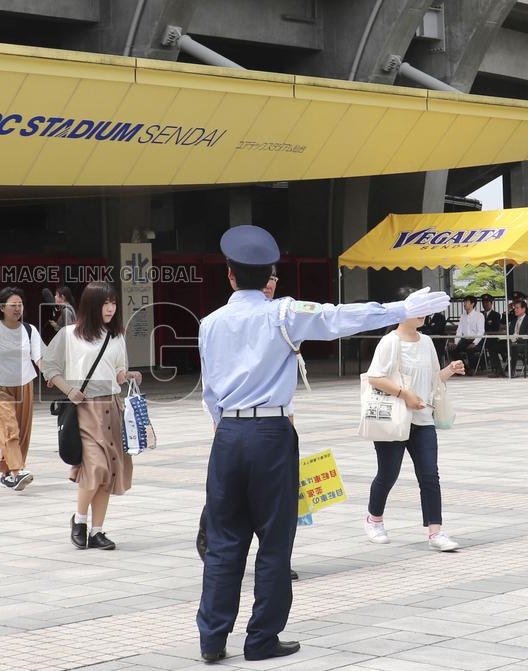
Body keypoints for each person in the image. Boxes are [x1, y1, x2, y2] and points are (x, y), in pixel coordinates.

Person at [196, 225, 449, 663]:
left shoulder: (210, 323)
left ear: (231, 277)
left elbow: (210, 394)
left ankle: (212, 639)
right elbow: (338, 318)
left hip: (228, 435)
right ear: (268, 278)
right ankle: (260, 640)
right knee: (274, 542)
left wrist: (226, 428)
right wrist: (399, 309)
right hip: (272, 433)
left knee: (224, 541)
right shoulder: (283, 314)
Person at [196, 266, 301, 580]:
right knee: (237, 501)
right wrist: (219, 421)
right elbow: (213, 381)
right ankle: (212, 536)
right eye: (265, 279)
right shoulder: (224, 322)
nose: (269, 286)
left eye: (273, 280)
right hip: (237, 423)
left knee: (256, 502)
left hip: (266, 422)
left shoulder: (281, 318)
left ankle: (267, 560)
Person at [42, 282, 139, 550]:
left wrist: (129, 376)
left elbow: (118, 371)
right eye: (105, 303)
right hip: (84, 408)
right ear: (91, 305)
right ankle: (80, 521)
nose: (110, 308)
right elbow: (48, 367)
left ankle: (97, 531)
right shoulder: (69, 334)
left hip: (112, 408)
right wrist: (69, 390)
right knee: (95, 468)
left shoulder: (117, 336)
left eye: (113, 303)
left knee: (107, 472)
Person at [363, 307, 464, 552]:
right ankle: (374, 519)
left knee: (430, 475)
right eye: (417, 310)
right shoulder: (389, 342)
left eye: (424, 311)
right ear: (401, 314)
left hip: (423, 419)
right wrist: (405, 394)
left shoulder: (427, 342)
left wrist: (449, 370)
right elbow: (374, 378)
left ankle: (435, 531)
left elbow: (432, 379)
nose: (423, 315)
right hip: (394, 419)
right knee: (388, 473)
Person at [0, 286, 43, 491]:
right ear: (2, 307)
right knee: (9, 429)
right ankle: (17, 471)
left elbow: (40, 358)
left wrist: (53, 376)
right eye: (13, 305)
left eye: (20, 305)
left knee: (21, 432)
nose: (17, 309)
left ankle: (7, 473)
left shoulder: (30, 330)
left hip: (24, 386)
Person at [492, 299, 528, 376]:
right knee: (493, 347)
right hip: (511, 342)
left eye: (517, 308)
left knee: (514, 347)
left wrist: (518, 338)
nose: (515, 310)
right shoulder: (513, 321)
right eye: (514, 308)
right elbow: (508, 332)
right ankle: (499, 370)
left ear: (524, 309)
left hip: (524, 344)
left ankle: (512, 371)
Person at [447, 296, 484, 369]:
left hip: (476, 340)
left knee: (470, 350)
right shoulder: (462, 316)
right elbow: (459, 331)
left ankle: (472, 369)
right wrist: (456, 342)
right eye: (464, 302)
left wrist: (474, 343)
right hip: (465, 340)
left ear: (472, 304)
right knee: (452, 349)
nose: (464, 304)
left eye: (466, 302)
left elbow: (481, 331)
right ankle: (464, 368)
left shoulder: (479, 315)